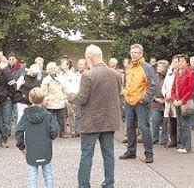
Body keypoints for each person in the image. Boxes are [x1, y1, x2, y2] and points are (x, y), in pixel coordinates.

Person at [68, 44, 123, 188]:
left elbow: (82, 99)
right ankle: (109, 184)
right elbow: (117, 95)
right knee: (109, 154)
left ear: (89, 58)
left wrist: (70, 96)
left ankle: (84, 185)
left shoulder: (88, 74)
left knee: (86, 155)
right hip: (109, 119)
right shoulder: (117, 74)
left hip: (91, 122)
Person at [119, 44, 157, 163]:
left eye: (136, 52)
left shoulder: (147, 67)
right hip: (129, 101)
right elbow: (126, 83)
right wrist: (125, 93)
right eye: (132, 52)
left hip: (141, 102)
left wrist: (145, 98)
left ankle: (149, 154)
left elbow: (153, 84)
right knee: (130, 127)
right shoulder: (129, 68)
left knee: (144, 128)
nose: (133, 54)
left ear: (141, 54)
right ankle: (131, 151)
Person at [16, 88, 60, 188]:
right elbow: (55, 129)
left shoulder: (25, 116)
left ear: (30, 99)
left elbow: (18, 131)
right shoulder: (48, 116)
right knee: (48, 172)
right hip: (45, 146)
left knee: (32, 173)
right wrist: (51, 137)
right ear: (43, 100)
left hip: (31, 147)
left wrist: (21, 146)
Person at [170, 54, 194, 154]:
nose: (180, 63)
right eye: (178, 61)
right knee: (179, 124)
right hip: (177, 101)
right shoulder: (177, 73)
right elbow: (173, 88)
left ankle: (187, 146)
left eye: (182, 61)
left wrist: (182, 100)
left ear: (186, 62)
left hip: (185, 102)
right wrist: (174, 99)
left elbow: (191, 89)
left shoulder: (191, 73)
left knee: (185, 124)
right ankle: (180, 144)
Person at [41, 62, 68, 138]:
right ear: (48, 70)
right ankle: (51, 133)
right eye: (50, 68)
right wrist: (45, 100)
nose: (52, 70)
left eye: (53, 68)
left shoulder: (61, 78)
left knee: (62, 119)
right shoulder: (46, 80)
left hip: (60, 101)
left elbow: (65, 89)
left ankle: (62, 133)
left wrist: (65, 98)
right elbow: (43, 91)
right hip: (50, 103)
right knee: (50, 119)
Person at [162, 57, 179, 148]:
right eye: (174, 61)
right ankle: (172, 140)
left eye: (177, 62)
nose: (175, 63)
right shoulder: (169, 73)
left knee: (177, 121)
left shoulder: (180, 73)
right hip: (168, 100)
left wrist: (172, 97)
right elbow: (164, 86)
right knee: (170, 121)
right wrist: (165, 94)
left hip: (176, 100)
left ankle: (179, 140)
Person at [151, 60, 169, 146]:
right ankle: (155, 138)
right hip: (156, 103)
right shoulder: (154, 77)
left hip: (167, 103)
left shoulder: (169, 77)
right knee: (155, 120)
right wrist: (156, 98)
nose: (158, 68)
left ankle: (164, 139)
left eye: (161, 66)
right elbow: (150, 89)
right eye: (158, 66)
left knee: (165, 122)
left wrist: (165, 99)